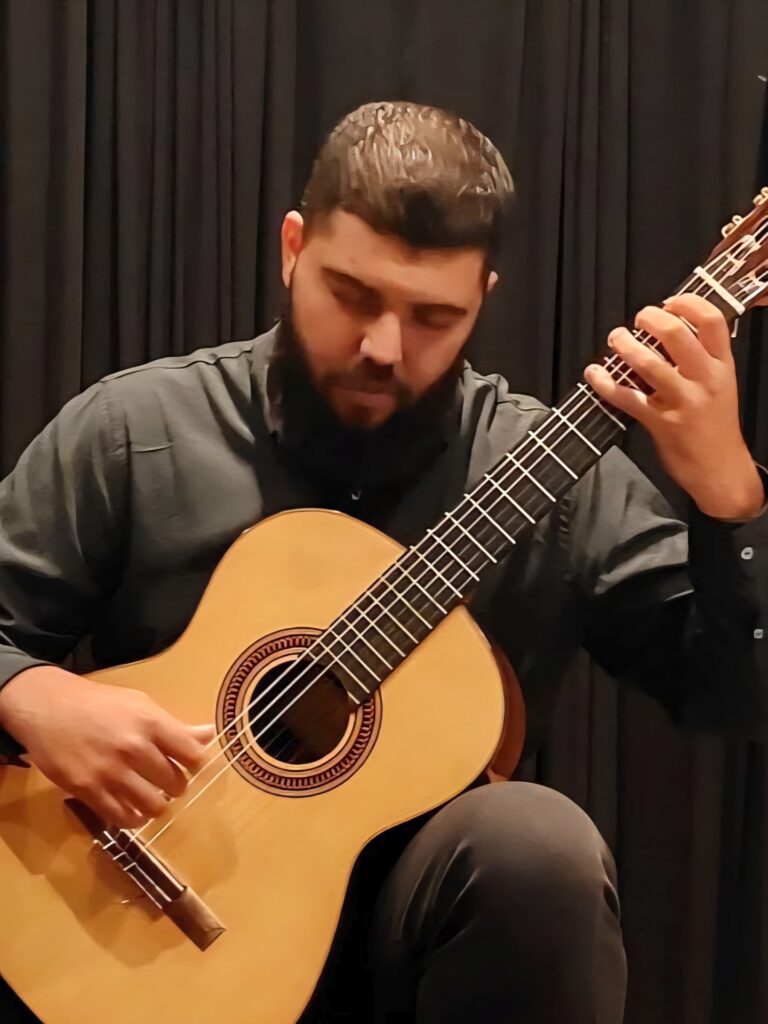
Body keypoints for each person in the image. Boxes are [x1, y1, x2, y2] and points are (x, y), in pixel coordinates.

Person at [0, 100, 766, 1024]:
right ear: (293, 249)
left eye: (434, 316)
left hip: (419, 945)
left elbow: (735, 695)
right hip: (130, 907)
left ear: (484, 296)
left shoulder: (554, 477)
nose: (382, 348)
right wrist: (30, 696)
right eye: (353, 296)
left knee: (536, 845)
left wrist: (731, 499)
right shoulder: (140, 432)